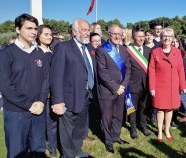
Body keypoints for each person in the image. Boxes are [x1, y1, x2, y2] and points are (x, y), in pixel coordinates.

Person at [0, 13, 49, 158]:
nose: (33, 32)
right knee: (17, 152)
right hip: (16, 114)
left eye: (35, 28)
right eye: (29, 28)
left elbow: (46, 79)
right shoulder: (6, 54)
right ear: (17, 29)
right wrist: (29, 105)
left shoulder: (39, 52)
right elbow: (5, 86)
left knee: (39, 150)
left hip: (38, 112)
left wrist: (41, 101)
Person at [50, 19, 96, 158]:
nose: (87, 33)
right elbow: (56, 75)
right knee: (67, 129)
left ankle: (77, 150)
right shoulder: (63, 47)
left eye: (88, 30)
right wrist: (58, 100)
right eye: (84, 30)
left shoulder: (88, 48)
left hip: (86, 95)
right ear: (75, 32)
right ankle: (67, 154)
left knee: (80, 127)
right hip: (69, 97)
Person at [96, 24, 131, 153]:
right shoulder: (102, 50)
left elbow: (128, 69)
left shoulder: (123, 49)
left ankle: (116, 136)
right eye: (114, 33)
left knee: (118, 115)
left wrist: (123, 86)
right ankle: (108, 141)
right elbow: (102, 72)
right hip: (108, 90)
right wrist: (116, 87)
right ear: (109, 34)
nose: (117, 36)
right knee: (107, 117)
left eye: (119, 34)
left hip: (121, 89)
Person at [149, 28, 186, 142]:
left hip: (173, 86)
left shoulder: (177, 52)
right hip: (160, 86)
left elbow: (180, 69)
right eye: (165, 36)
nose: (167, 38)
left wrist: (183, 85)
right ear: (161, 38)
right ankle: (160, 131)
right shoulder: (155, 52)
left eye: (169, 37)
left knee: (170, 110)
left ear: (173, 38)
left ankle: (167, 129)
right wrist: (152, 87)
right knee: (160, 110)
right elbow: (151, 70)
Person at [36, 25, 58, 157]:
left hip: (54, 93)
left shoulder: (53, 52)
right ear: (38, 36)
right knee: (41, 122)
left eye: (50, 34)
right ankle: (41, 146)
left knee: (52, 122)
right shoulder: (37, 53)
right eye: (46, 34)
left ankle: (52, 145)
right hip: (41, 94)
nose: (49, 37)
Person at [127, 28, 151, 139]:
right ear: (133, 37)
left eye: (143, 36)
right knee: (132, 108)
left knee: (144, 107)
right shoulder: (128, 50)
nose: (141, 38)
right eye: (139, 36)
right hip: (133, 84)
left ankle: (143, 125)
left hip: (146, 84)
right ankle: (133, 128)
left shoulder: (148, 50)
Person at [171, 35, 186, 128]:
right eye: (173, 42)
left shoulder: (183, 54)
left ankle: (174, 119)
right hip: (170, 81)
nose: (174, 43)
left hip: (179, 80)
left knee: (177, 101)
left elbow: (183, 69)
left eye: (176, 42)